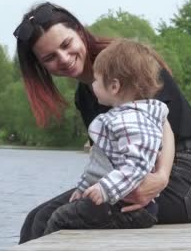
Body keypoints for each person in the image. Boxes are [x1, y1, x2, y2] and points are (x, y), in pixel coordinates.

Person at [14, 2, 191, 244]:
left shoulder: (126, 63)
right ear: (41, 66)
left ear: (79, 31)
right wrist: (85, 189)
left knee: (63, 217)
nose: (64, 59)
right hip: (135, 173)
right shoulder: (85, 96)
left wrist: (160, 178)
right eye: (50, 58)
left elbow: (163, 124)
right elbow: (105, 158)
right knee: (38, 217)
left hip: (184, 178)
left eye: (66, 45)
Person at [44, 39, 169, 235]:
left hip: (130, 208)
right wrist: (84, 187)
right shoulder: (120, 117)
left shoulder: (133, 121)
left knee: (61, 218)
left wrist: (104, 189)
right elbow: (101, 164)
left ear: (114, 86)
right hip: (116, 199)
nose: (92, 85)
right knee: (60, 214)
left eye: (96, 80)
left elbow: (137, 165)